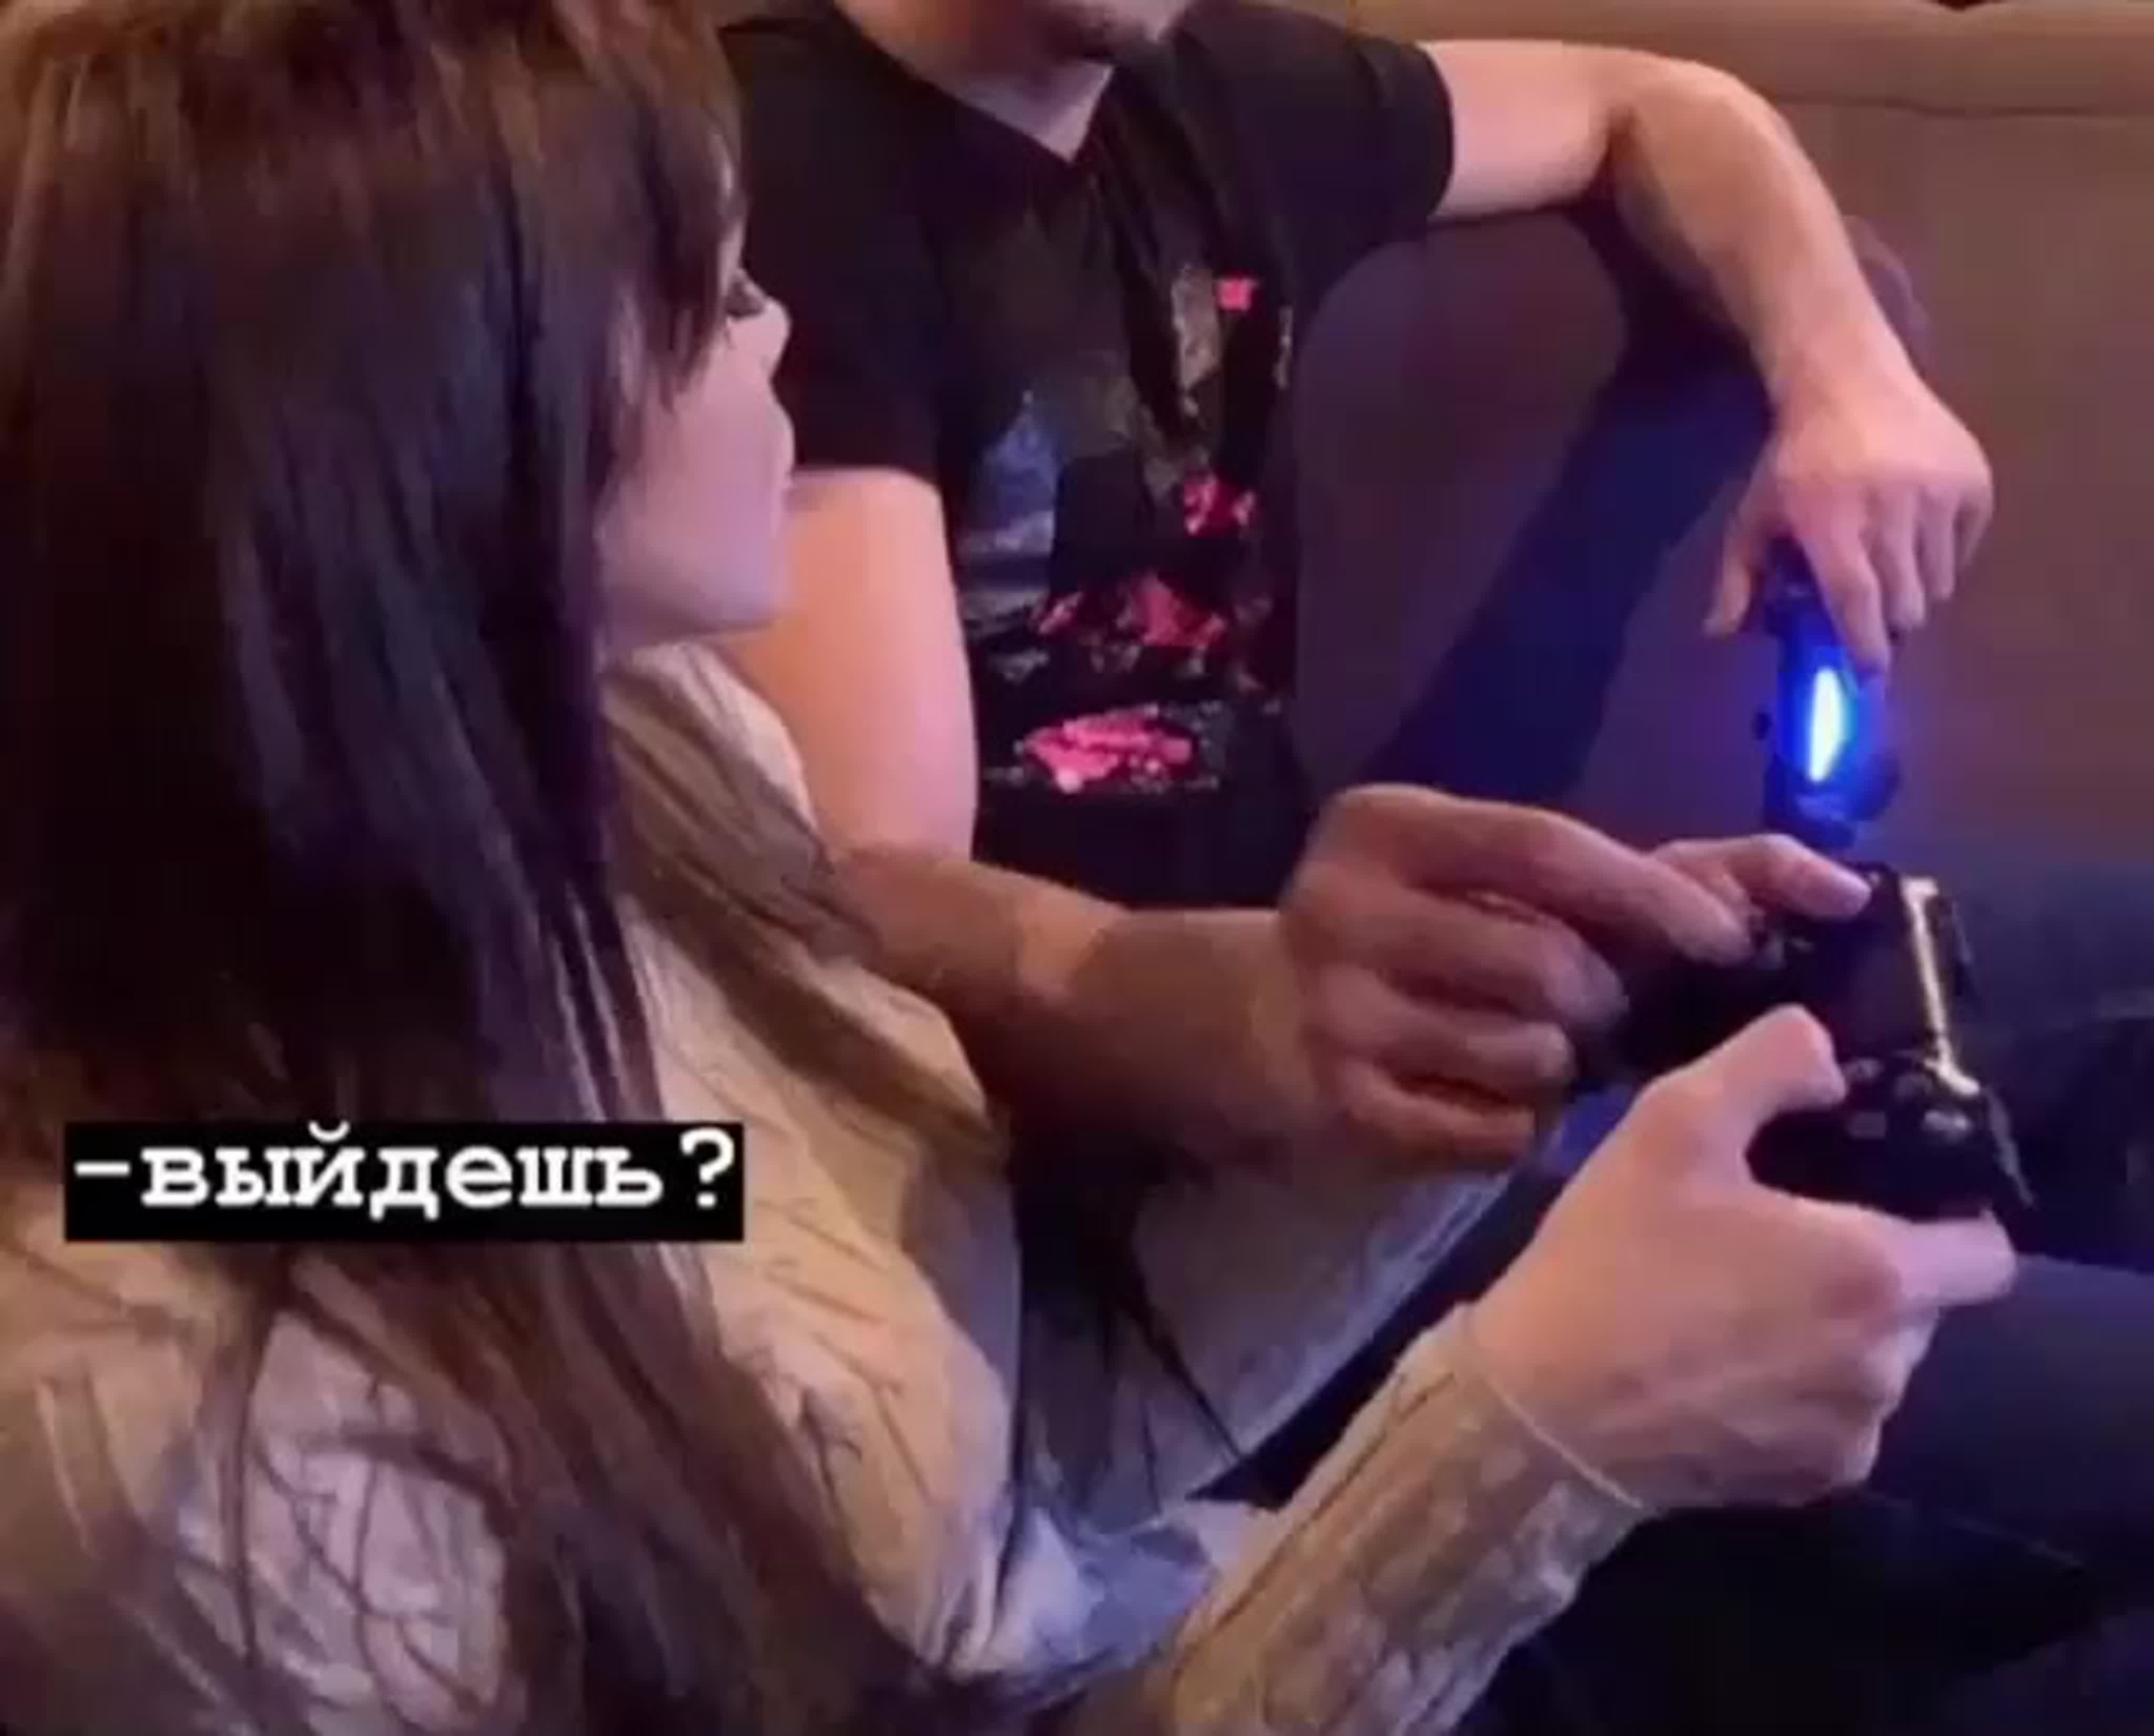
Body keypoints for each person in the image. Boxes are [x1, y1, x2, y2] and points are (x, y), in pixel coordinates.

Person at [0, 2, 2120, 1733]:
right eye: (710, 289)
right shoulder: (203, 1454)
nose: (779, 331)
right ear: (442, 444)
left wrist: (1442, 1061)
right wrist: (1540, 1437)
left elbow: (953, 1484)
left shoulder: (629, 780)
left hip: (1212, 1586)